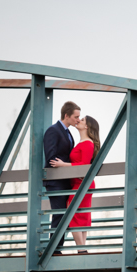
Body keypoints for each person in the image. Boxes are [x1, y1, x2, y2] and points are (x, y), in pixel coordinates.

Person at [49, 115, 100, 253]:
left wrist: (62, 165)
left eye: (82, 120)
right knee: (80, 215)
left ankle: (81, 248)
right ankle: (82, 248)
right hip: (78, 183)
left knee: (73, 213)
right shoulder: (82, 142)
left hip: (82, 183)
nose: (78, 121)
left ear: (87, 126)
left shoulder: (88, 143)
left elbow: (83, 166)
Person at [43, 100, 81, 253]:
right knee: (58, 215)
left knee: (64, 215)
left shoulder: (67, 132)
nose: (78, 120)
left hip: (66, 181)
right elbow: (51, 157)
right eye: (76, 117)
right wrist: (66, 165)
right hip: (56, 181)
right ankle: (55, 250)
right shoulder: (53, 131)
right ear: (66, 115)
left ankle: (57, 247)